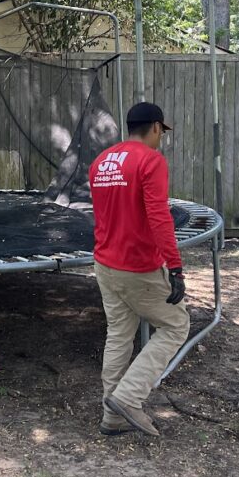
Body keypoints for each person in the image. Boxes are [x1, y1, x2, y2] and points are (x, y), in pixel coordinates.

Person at [88, 101, 189, 437]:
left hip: (105, 263)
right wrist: (175, 267)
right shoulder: (151, 160)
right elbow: (159, 216)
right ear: (156, 127)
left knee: (119, 335)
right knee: (176, 325)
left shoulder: (101, 163)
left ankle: (112, 418)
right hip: (138, 268)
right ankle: (129, 398)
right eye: (162, 131)